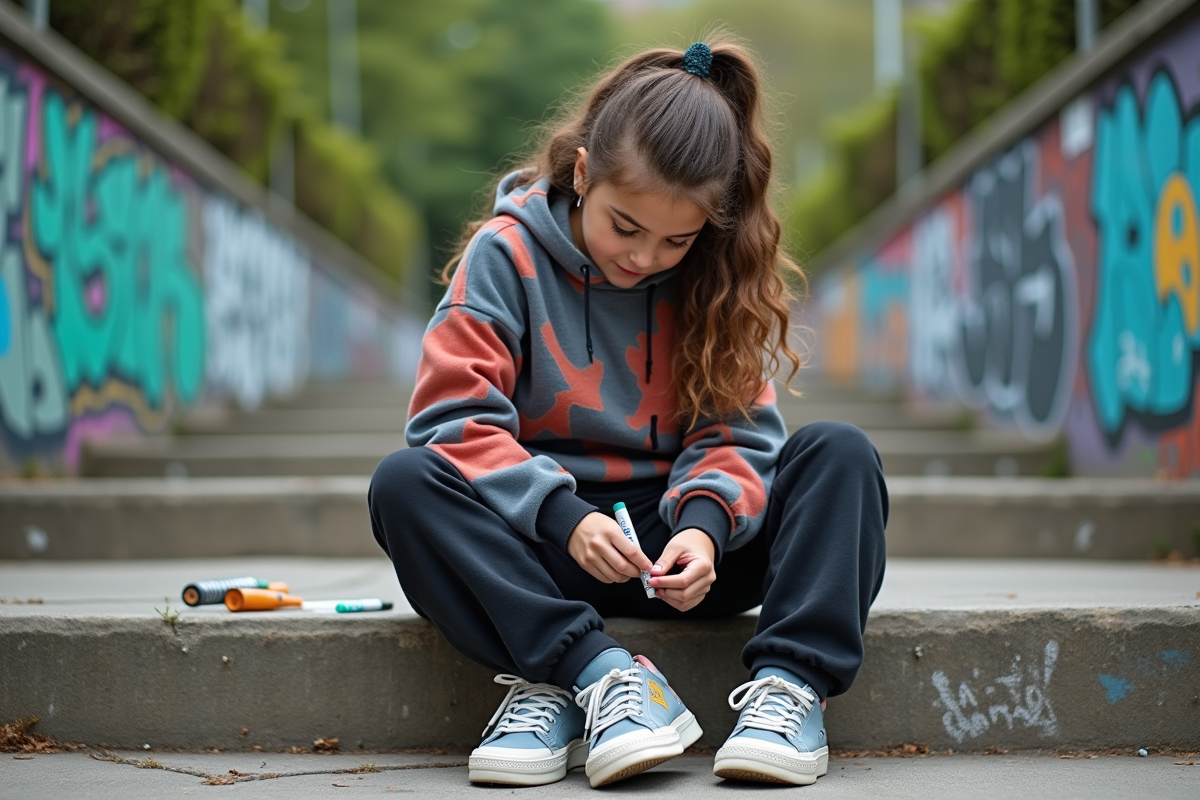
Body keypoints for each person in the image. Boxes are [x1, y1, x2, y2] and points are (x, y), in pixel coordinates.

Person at [368, 37, 887, 789]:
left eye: (675, 239)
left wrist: (706, 531)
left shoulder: (715, 270)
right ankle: (590, 676)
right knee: (405, 482)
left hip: (685, 554)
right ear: (583, 174)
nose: (644, 257)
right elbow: (454, 419)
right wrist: (564, 517)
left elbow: (736, 430)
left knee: (840, 455)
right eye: (625, 227)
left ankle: (790, 690)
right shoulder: (504, 255)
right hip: (544, 549)